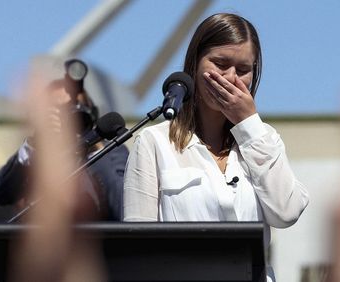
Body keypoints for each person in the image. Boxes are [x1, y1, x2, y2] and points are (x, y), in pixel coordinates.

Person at [123, 13, 309, 281]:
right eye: (220, 64)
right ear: (195, 65)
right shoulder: (154, 143)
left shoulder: (263, 138)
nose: (231, 78)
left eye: (243, 70)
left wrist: (248, 125)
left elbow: (287, 212)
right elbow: (137, 248)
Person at [0, 72, 128, 221]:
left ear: (92, 115)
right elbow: (1, 193)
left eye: (76, 113)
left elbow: (124, 208)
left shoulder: (111, 153)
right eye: (59, 113)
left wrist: (94, 146)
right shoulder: (35, 158)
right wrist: (35, 145)